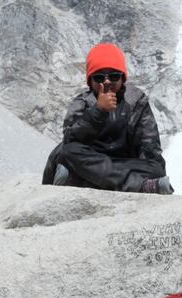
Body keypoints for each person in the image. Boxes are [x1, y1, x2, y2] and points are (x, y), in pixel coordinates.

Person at [42, 43, 173, 194]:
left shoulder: (136, 101)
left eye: (113, 76)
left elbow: (150, 147)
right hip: (90, 162)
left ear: (122, 78)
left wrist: (151, 168)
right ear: (90, 81)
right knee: (67, 152)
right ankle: (140, 186)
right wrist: (98, 112)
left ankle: (78, 181)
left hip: (120, 164)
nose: (106, 82)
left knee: (156, 168)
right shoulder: (82, 103)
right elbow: (70, 140)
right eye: (99, 78)